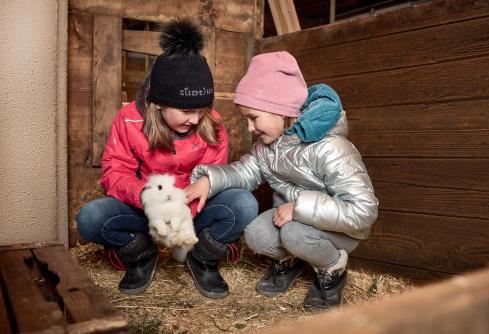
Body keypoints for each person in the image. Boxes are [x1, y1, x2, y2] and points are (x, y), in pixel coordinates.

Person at [76, 19, 258, 297]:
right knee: (90, 218)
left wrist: (187, 211)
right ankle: (141, 254)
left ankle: (202, 257)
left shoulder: (213, 124)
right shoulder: (128, 120)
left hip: (193, 212)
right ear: (158, 101)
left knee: (244, 204)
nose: (195, 119)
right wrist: (149, 198)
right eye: (186, 111)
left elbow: (217, 174)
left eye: (201, 110)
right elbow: (115, 172)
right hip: (147, 211)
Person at [189, 51, 378, 309]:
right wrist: (210, 180)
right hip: (293, 219)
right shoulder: (267, 147)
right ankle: (289, 261)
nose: (250, 128)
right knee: (256, 234)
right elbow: (246, 172)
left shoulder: (331, 148)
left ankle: (333, 269)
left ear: (280, 110)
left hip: (340, 228)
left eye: (253, 118)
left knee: (293, 234)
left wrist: (299, 208)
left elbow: (363, 211)